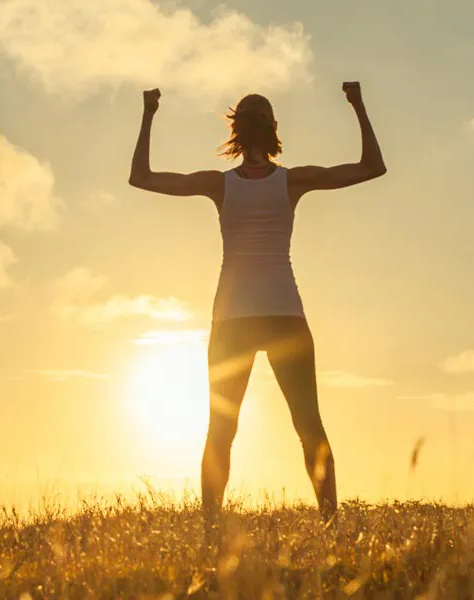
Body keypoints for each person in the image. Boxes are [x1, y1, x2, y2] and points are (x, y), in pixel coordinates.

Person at [128, 82, 386, 523]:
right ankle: (330, 524)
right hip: (280, 315)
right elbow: (371, 167)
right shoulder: (291, 179)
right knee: (308, 426)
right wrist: (359, 103)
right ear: (272, 129)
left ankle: (212, 528)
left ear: (237, 131)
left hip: (236, 320)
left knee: (225, 432)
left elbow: (142, 178)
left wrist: (149, 113)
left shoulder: (221, 184)